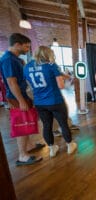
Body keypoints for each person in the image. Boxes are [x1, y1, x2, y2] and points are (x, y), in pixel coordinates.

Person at [24, 46, 77, 158]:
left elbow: (29, 85)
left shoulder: (27, 67)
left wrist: (62, 75)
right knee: (63, 123)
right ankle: (69, 145)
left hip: (39, 102)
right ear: (48, 54)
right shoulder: (51, 66)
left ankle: (52, 149)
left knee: (46, 125)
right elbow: (61, 86)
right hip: (55, 100)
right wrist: (63, 78)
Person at [0, 33, 44, 165]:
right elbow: (11, 82)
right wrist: (21, 101)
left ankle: (29, 146)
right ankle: (22, 155)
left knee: (28, 120)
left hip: (22, 94)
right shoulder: (9, 60)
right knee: (22, 123)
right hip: (16, 97)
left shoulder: (16, 59)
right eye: (26, 47)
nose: (27, 49)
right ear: (17, 44)